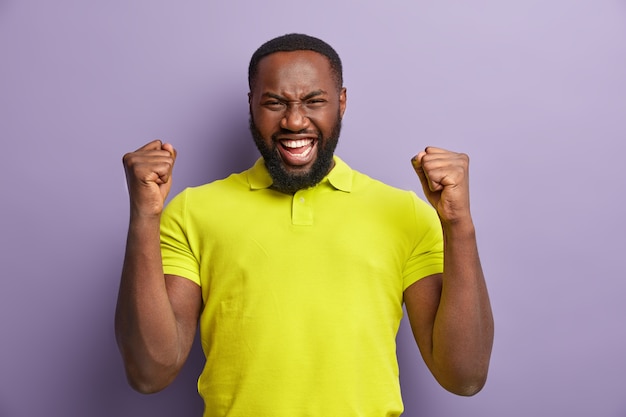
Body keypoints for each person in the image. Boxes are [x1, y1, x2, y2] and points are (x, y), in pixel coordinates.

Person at [115, 33, 494, 417]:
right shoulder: (193, 212)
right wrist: (144, 218)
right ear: (251, 105)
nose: (294, 120)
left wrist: (458, 223)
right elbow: (149, 373)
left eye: (314, 101)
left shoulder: (405, 213)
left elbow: (464, 377)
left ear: (341, 103)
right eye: (275, 102)